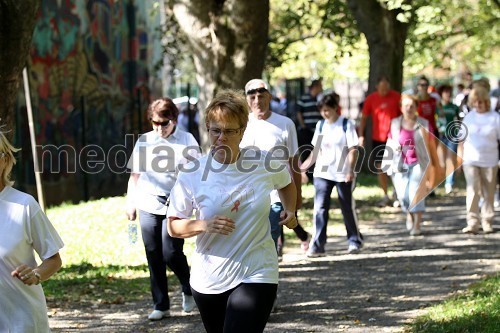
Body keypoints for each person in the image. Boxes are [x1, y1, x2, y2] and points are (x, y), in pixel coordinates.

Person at [166, 90, 298, 333]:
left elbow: (287, 183)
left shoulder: (264, 162)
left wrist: (290, 210)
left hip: (257, 270)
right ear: (207, 128)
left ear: (242, 130)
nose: (221, 138)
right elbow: (173, 225)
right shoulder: (193, 171)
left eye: (229, 131)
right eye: (216, 130)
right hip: (210, 278)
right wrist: (202, 225)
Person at [125, 98, 199, 320]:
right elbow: (135, 174)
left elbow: (196, 177)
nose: (159, 128)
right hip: (148, 201)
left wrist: (197, 204)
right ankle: (161, 304)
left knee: (171, 252)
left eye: (164, 123)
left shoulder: (187, 140)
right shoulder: (145, 141)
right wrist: (131, 202)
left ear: (174, 120)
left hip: (176, 204)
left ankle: (189, 287)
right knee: (153, 253)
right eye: (154, 123)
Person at [0, 127, 64, 332]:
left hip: (22, 321)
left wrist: (36, 274)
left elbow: (54, 259)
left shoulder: (24, 205)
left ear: (4, 160)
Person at [240, 79, 310, 258]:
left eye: (261, 96)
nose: (257, 101)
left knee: (270, 234)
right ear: (246, 99)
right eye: (252, 96)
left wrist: (297, 195)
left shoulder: (285, 124)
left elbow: (294, 161)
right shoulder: (240, 125)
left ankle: (267, 273)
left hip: (275, 193)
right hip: (247, 195)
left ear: (269, 97)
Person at [300, 93, 363, 255]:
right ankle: (318, 244)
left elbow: (352, 149)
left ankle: (354, 240)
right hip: (323, 173)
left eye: (327, 110)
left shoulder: (346, 124)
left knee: (347, 207)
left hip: (343, 174)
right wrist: (302, 169)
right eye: (322, 110)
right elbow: (315, 151)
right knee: (320, 208)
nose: (324, 113)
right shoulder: (321, 126)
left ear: (335, 108)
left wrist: (350, 169)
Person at [382, 94, 432, 236]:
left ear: (416, 108)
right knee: (403, 195)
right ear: (401, 108)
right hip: (400, 163)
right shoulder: (395, 123)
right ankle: (410, 215)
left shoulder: (424, 123)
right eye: (406, 106)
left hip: (419, 162)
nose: (409, 108)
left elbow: (431, 144)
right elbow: (390, 141)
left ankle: (417, 224)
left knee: (416, 193)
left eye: (412, 106)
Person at [457, 86, 499, 234]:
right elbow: (461, 140)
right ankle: (473, 221)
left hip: (490, 160)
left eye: (481, 101)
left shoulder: (495, 118)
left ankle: (487, 221)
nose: (478, 104)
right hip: (470, 160)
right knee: (472, 190)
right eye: (475, 102)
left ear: (487, 102)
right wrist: (459, 158)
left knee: (489, 191)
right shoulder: (469, 118)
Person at [358, 76, 401, 207]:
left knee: (395, 167)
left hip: (394, 138)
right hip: (378, 138)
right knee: (380, 167)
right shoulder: (371, 98)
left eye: (386, 88)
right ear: (377, 87)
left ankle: (397, 194)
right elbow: (364, 118)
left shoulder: (397, 97)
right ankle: (385, 194)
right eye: (381, 88)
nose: (384, 91)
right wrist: (361, 135)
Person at [296, 79, 324, 183]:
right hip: (306, 130)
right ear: (315, 86)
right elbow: (299, 112)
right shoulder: (304, 98)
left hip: (317, 130)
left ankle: (312, 175)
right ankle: (304, 175)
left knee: (316, 152)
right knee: (306, 152)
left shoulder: (320, 99)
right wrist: (303, 125)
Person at [437, 84, 461, 194]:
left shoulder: (454, 107)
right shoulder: (437, 107)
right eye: (445, 92)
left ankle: (449, 183)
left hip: (452, 135)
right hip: (440, 136)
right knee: (441, 161)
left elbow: (459, 120)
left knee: (450, 159)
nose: (448, 94)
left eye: (449, 92)